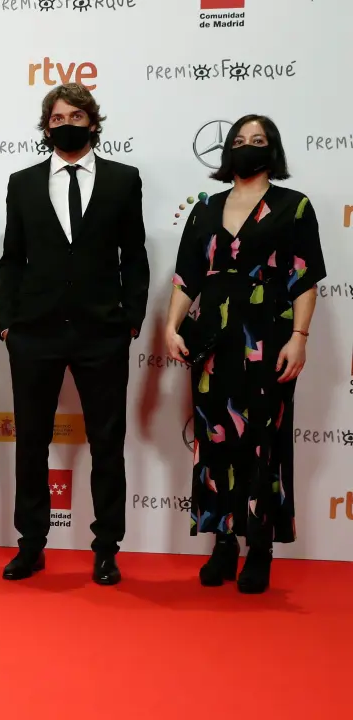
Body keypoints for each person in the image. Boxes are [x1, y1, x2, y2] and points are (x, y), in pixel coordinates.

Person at [0, 83, 149, 585]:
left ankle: (106, 549)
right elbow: (12, 258)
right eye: (58, 118)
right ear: (46, 127)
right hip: (34, 332)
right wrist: (7, 322)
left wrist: (131, 318)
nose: (67, 124)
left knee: (107, 443)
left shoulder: (123, 179)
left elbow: (135, 256)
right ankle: (31, 545)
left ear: (93, 123)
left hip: (102, 332)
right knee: (30, 442)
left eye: (76, 116)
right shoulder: (22, 183)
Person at [165, 115, 323, 594]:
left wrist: (299, 336)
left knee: (262, 439)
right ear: (227, 151)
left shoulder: (294, 206)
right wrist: (171, 326)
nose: (247, 146)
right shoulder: (205, 208)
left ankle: (259, 546)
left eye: (258, 140)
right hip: (212, 340)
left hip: (267, 338)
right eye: (239, 140)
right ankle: (223, 543)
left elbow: (304, 278)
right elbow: (186, 277)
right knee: (215, 439)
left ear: (272, 150)